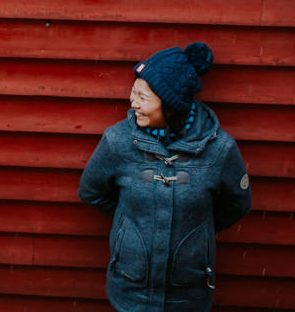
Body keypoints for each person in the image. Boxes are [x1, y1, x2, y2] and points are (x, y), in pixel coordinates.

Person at [79, 42, 251, 312]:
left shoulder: (220, 150)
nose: (132, 102)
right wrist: (131, 224)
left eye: (143, 97)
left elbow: (237, 204)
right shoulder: (118, 141)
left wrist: (197, 231)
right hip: (130, 288)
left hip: (188, 293)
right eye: (133, 92)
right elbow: (91, 191)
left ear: (171, 106)